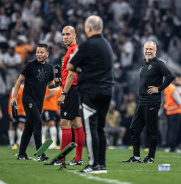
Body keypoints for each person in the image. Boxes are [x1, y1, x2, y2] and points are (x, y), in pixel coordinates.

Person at [67, 16, 114, 173]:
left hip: (91, 91)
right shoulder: (107, 45)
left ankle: (93, 164)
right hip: (107, 91)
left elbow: (70, 65)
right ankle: (101, 164)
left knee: (91, 128)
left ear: (88, 28)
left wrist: (81, 70)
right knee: (100, 128)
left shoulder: (87, 45)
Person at [123, 41, 174, 163]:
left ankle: (150, 157)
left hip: (152, 102)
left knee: (151, 131)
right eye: (146, 49)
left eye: (151, 49)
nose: (148, 51)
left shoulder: (158, 63)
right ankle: (136, 157)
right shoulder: (144, 64)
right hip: (141, 102)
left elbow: (170, 76)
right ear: (143, 50)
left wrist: (159, 88)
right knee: (134, 129)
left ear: (155, 51)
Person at [10, 43, 60, 161]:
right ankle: (41, 153)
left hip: (39, 102)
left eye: (42, 52)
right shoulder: (30, 65)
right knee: (38, 122)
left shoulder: (49, 67)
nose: (39, 54)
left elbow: (50, 85)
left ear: (47, 54)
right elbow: (19, 81)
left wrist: (57, 83)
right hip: (28, 100)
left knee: (29, 127)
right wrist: (13, 97)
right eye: (37, 52)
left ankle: (22, 153)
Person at [53, 26, 85, 166]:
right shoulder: (72, 51)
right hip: (75, 88)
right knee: (77, 123)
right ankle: (78, 158)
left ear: (74, 36)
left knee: (64, 123)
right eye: (63, 34)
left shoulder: (72, 50)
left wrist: (63, 93)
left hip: (71, 90)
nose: (65, 37)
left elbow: (72, 74)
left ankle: (61, 159)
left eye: (68, 34)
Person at [164, 74, 181, 153]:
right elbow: (180, 101)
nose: (179, 81)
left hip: (169, 111)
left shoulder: (168, 88)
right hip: (175, 112)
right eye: (177, 80)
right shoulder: (173, 89)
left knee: (170, 130)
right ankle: (173, 147)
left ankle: (169, 146)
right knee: (174, 130)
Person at [8, 84, 25, 149]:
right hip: (15, 109)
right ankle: (12, 143)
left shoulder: (27, 87)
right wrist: (12, 111)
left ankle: (19, 143)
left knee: (21, 126)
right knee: (12, 124)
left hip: (23, 110)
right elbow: (12, 99)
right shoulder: (15, 88)